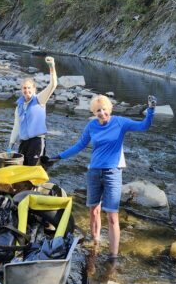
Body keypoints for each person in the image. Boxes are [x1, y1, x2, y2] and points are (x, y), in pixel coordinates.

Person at [49, 94, 157, 257]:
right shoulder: (91, 125)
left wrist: (151, 110)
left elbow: (143, 126)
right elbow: (79, 145)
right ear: (94, 112)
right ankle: (96, 244)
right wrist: (58, 157)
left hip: (113, 173)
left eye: (104, 109)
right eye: (98, 110)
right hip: (94, 172)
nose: (102, 113)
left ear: (110, 109)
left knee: (113, 216)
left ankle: (113, 256)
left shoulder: (120, 122)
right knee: (94, 211)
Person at [9, 56, 57, 166]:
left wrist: (52, 67)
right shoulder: (19, 106)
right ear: (22, 90)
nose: (27, 90)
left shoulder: (40, 99)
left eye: (29, 88)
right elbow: (16, 126)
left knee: (33, 170)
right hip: (23, 143)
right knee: (21, 170)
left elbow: (53, 85)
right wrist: (10, 144)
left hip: (37, 142)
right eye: (24, 88)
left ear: (34, 89)